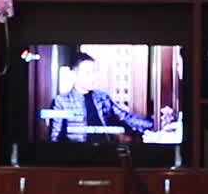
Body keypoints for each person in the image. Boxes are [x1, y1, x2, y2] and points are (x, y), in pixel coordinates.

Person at [44, 53, 177, 141]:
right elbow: (55, 136)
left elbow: (125, 118)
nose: (93, 77)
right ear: (74, 75)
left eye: (95, 72)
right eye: (88, 73)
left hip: (104, 153)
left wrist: (155, 125)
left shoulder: (102, 97)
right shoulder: (61, 101)